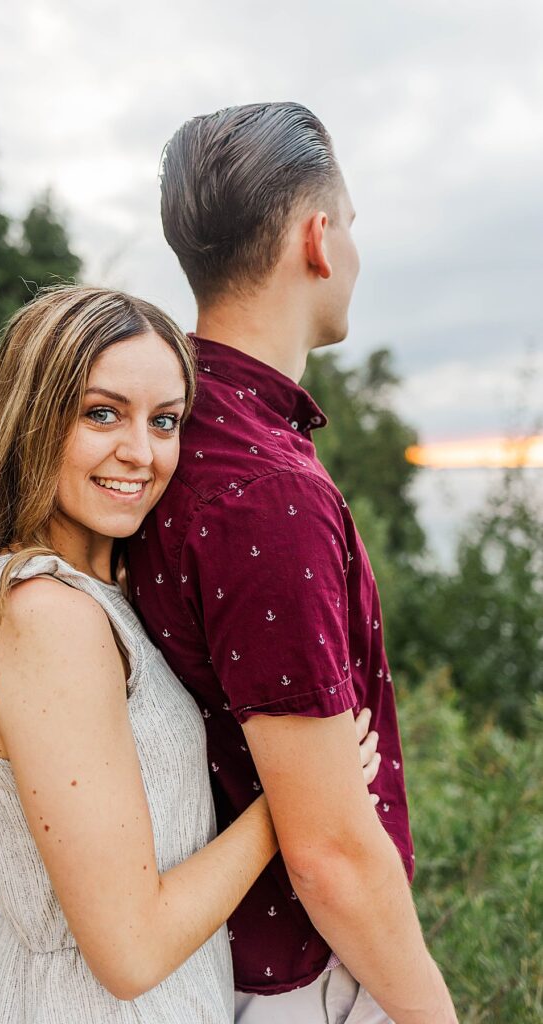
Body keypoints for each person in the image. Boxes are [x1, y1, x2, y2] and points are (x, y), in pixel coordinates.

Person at [0, 285, 381, 1023]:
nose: (141, 452)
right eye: (101, 413)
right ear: (31, 419)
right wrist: (300, 795)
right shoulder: (45, 615)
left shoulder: (92, 598)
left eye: (164, 421)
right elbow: (128, 950)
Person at [126, 103, 459, 1023]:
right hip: (293, 978)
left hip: (218, 959)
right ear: (318, 239)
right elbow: (328, 853)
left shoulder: (168, 434)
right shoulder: (263, 487)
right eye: (349, 225)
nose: (352, 250)